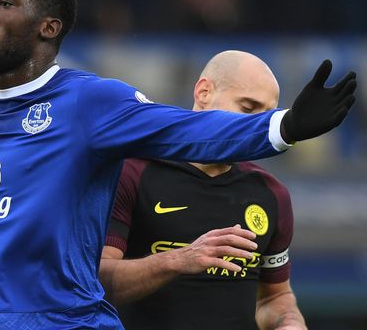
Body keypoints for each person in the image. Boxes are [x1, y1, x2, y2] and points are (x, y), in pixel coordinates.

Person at [0, 0, 356, 329]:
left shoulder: (89, 102)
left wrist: (280, 128)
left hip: (65, 321)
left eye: (4, 2)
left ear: (49, 27)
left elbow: (185, 130)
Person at [100, 50, 306, 329]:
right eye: (247, 108)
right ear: (203, 92)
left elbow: (274, 298)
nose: (258, 124)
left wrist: (288, 320)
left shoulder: (271, 193)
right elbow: (95, 283)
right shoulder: (131, 172)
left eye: (267, 116)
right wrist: (177, 260)